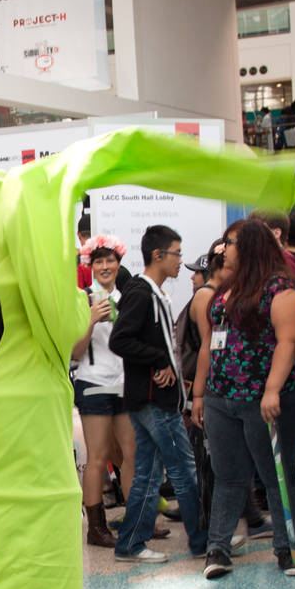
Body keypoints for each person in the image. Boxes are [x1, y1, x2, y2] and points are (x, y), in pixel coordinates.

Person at [192, 218, 295, 578]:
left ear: (251, 248)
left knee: (276, 473)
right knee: (227, 474)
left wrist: (272, 389)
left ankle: (287, 549)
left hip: (266, 399)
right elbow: (208, 344)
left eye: (230, 243)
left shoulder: (281, 290)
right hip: (221, 397)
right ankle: (218, 549)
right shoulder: (222, 291)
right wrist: (198, 392)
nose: (222, 249)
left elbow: (289, 342)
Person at [109, 225, 206, 563]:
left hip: (152, 399)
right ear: (158, 256)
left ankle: (131, 543)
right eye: (176, 254)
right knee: (184, 469)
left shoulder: (153, 293)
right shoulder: (141, 293)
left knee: (150, 476)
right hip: (153, 400)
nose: (181, 261)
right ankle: (202, 540)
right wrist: (158, 359)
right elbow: (119, 340)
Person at [72, 235, 135, 547]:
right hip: (93, 383)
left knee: (130, 456)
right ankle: (96, 529)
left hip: (124, 384)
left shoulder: (129, 297)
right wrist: (91, 321)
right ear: (91, 266)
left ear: (119, 263)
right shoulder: (82, 299)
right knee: (97, 457)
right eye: (99, 261)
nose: (105, 266)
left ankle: (136, 520)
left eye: (110, 260)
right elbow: (74, 351)